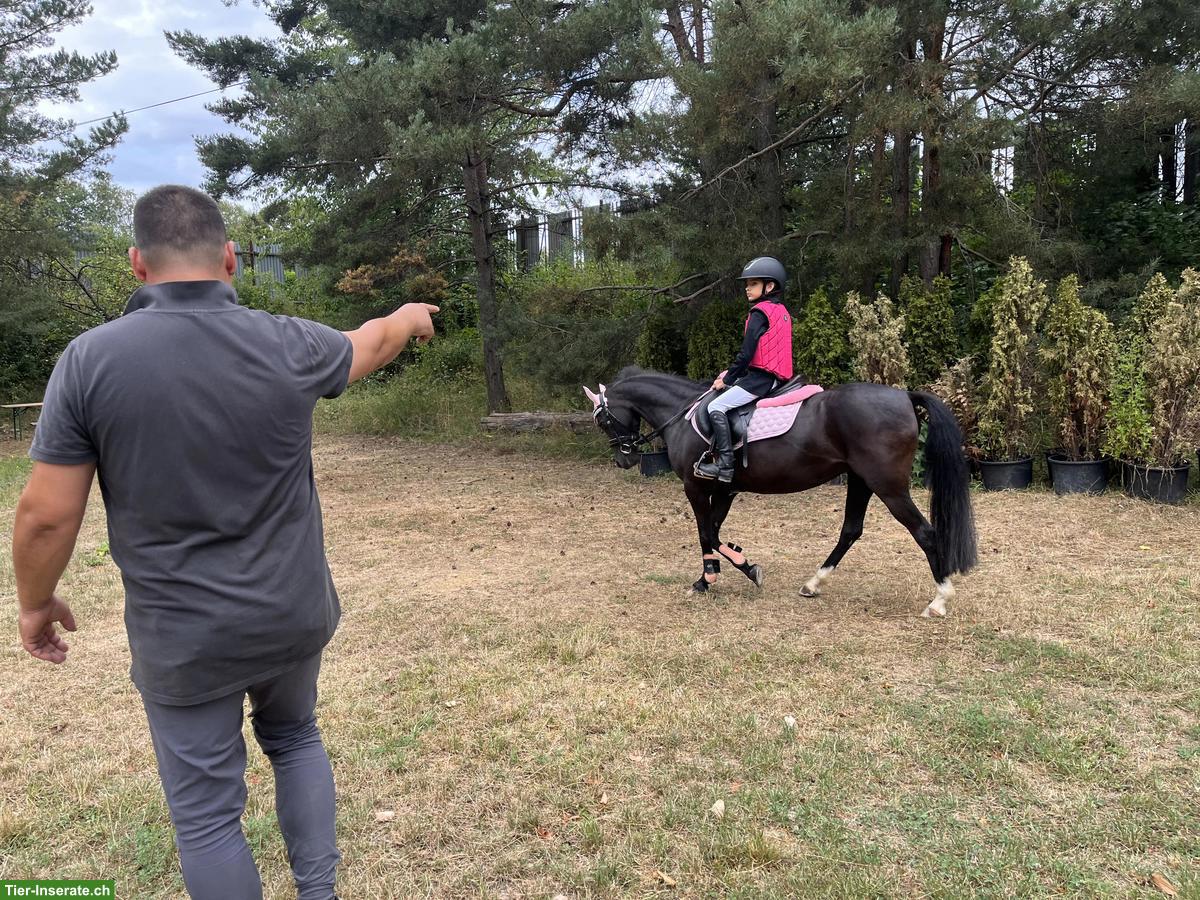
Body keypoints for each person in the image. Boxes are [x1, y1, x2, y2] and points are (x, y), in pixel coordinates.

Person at [12, 185, 438, 900]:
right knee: (297, 739)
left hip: (185, 638)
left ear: (136, 265)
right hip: (292, 614)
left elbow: (46, 517)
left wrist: (34, 602)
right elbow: (373, 341)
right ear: (232, 260)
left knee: (208, 820)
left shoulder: (90, 362)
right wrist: (405, 315)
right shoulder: (290, 343)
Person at [694, 256, 793, 483]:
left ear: (770, 286)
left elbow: (746, 354)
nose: (747, 289)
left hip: (760, 380)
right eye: (747, 284)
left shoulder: (760, 312)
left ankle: (725, 466)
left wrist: (727, 379)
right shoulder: (782, 312)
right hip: (779, 379)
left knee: (715, 406)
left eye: (754, 284)